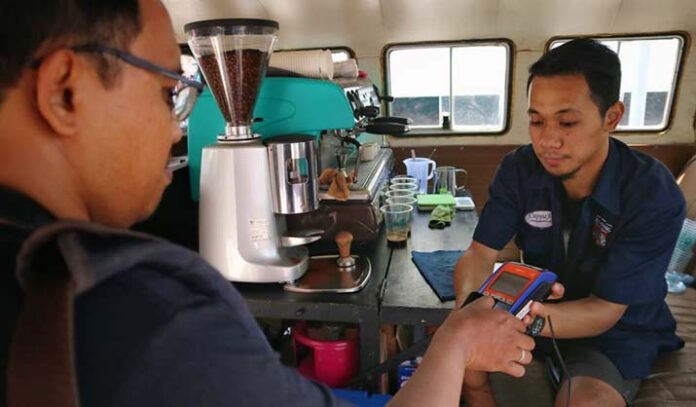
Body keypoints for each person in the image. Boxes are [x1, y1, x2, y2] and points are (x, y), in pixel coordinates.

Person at [0, 1, 544, 406]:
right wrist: (454, 341)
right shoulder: (145, 313)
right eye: (170, 93)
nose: (176, 132)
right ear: (64, 92)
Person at [454, 38, 685, 407]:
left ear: (611, 116)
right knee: (462, 372)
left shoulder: (652, 194)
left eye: (567, 122)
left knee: (584, 401)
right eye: (536, 121)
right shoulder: (519, 170)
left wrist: (519, 321)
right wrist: (469, 314)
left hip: (614, 333)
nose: (547, 140)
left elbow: (606, 310)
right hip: (533, 315)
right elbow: (479, 254)